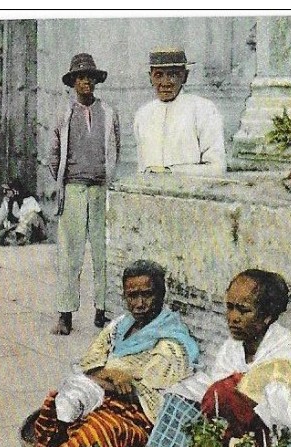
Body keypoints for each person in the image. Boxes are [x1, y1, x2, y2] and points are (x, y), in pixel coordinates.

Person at [143, 269, 291, 447]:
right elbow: (215, 389)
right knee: (182, 393)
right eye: (230, 307)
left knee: (223, 393)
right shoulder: (233, 346)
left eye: (243, 310)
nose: (233, 318)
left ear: (267, 317)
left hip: (270, 442)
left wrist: (235, 397)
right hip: (233, 435)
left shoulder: (285, 356)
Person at [30, 260, 199, 447]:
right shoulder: (121, 325)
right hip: (104, 396)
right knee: (55, 403)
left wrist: (106, 381)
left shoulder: (171, 343)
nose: (139, 304)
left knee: (100, 430)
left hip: (136, 416)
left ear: (161, 295)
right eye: (132, 296)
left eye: (147, 294)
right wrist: (111, 375)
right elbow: (90, 362)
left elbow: (150, 395)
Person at [49, 52, 120, 336]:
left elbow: (116, 149)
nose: (85, 83)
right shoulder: (64, 114)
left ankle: (102, 310)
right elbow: (53, 154)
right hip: (74, 190)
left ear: (95, 81)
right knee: (70, 253)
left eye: (89, 77)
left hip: (100, 189)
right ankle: (65, 314)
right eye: (80, 78)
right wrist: (64, 182)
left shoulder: (108, 113)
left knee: (103, 252)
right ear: (73, 82)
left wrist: (105, 178)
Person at [133, 47, 225, 176]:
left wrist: (172, 172)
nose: (165, 83)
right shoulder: (143, 114)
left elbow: (217, 167)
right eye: (158, 75)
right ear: (150, 78)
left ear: (185, 77)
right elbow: (142, 168)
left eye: (172, 75)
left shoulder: (204, 110)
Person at [0, 179, 46, 246]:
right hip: (16, 227)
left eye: (7, 190)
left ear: (15, 190)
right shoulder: (7, 201)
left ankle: (21, 238)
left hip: (32, 228)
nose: (5, 192)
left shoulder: (29, 200)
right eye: (4, 190)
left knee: (32, 215)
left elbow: (32, 218)